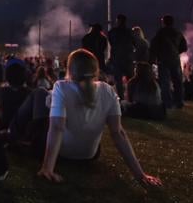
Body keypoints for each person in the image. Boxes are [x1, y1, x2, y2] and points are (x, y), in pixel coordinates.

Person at [37, 49, 161, 186]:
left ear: (70, 69)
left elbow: (56, 127)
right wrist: (140, 174)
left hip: (62, 154)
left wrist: (48, 168)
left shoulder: (60, 86)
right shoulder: (107, 90)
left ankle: (15, 135)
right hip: (90, 155)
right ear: (95, 70)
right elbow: (118, 133)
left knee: (39, 96)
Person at [150, 15, 187, 109]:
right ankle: (179, 101)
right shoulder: (178, 32)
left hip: (163, 60)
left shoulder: (161, 32)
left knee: (165, 81)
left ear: (164, 22)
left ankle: (167, 102)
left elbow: (154, 46)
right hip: (175, 60)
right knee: (177, 81)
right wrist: (176, 52)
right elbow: (184, 47)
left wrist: (153, 58)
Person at [108, 15, 135, 99]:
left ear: (117, 21)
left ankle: (121, 98)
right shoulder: (130, 32)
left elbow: (111, 42)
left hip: (117, 58)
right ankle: (131, 97)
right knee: (130, 80)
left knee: (118, 81)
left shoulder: (113, 32)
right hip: (128, 58)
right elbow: (134, 44)